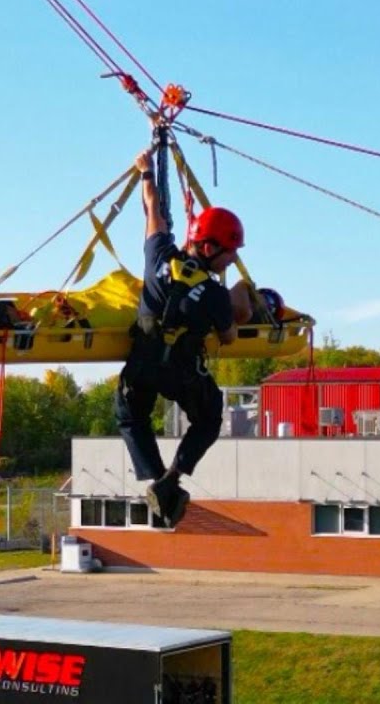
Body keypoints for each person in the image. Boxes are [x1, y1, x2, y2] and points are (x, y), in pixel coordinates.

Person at [115, 148, 251, 529]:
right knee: (209, 417)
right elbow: (228, 336)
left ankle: (158, 480)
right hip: (180, 371)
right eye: (229, 254)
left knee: (130, 415)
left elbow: (153, 209)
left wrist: (145, 171)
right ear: (209, 248)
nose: (230, 261)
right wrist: (239, 299)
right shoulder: (213, 295)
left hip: (142, 365)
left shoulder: (158, 255)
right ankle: (170, 480)